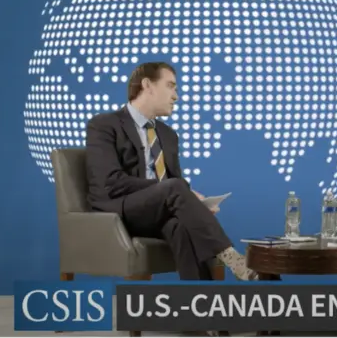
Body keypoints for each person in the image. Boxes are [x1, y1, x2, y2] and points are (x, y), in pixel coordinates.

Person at [85, 62, 256, 282]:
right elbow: (111, 182)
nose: (176, 96)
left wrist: (194, 202)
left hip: (159, 210)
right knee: (175, 188)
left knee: (183, 227)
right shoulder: (104, 124)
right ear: (147, 85)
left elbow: (173, 181)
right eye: (170, 86)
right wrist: (173, 190)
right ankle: (232, 258)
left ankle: (200, 300)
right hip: (119, 210)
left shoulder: (168, 135)